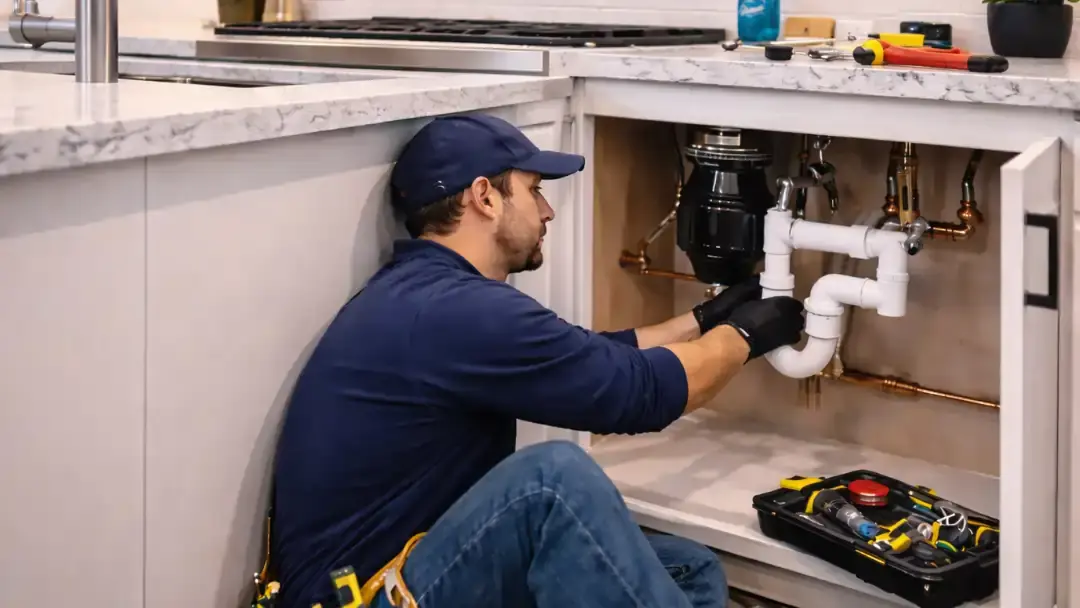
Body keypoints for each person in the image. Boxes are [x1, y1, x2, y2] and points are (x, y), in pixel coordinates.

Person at [270, 113, 806, 608]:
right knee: (551, 481)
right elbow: (639, 393)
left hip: (422, 564)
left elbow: (592, 357)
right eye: (534, 190)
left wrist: (707, 319)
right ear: (485, 197)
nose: (547, 211)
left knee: (689, 569)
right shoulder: (455, 310)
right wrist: (746, 335)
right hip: (367, 597)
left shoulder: (433, 296)